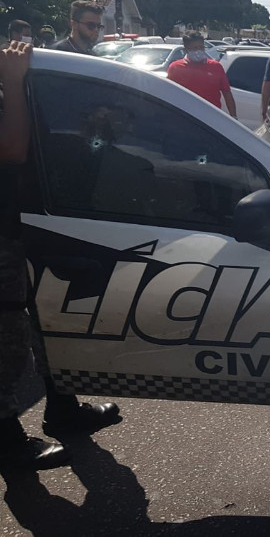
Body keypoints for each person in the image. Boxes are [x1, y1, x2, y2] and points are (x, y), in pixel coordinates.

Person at [0, 41, 121, 470]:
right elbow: (11, 147)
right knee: (8, 335)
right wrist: (13, 84)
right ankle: (6, 441)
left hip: (28, 225)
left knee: (40, 324)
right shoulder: (7, 83)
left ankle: (62, 407)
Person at [167, 31, 237, 117]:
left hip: (212, 117)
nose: (198, 51)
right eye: (194, 48)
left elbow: (227, 93)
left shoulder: (216, 67)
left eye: (201, 47)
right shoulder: (175, 68)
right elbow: (169, 94)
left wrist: (234, 116)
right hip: (186, 118)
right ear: (186, 49)